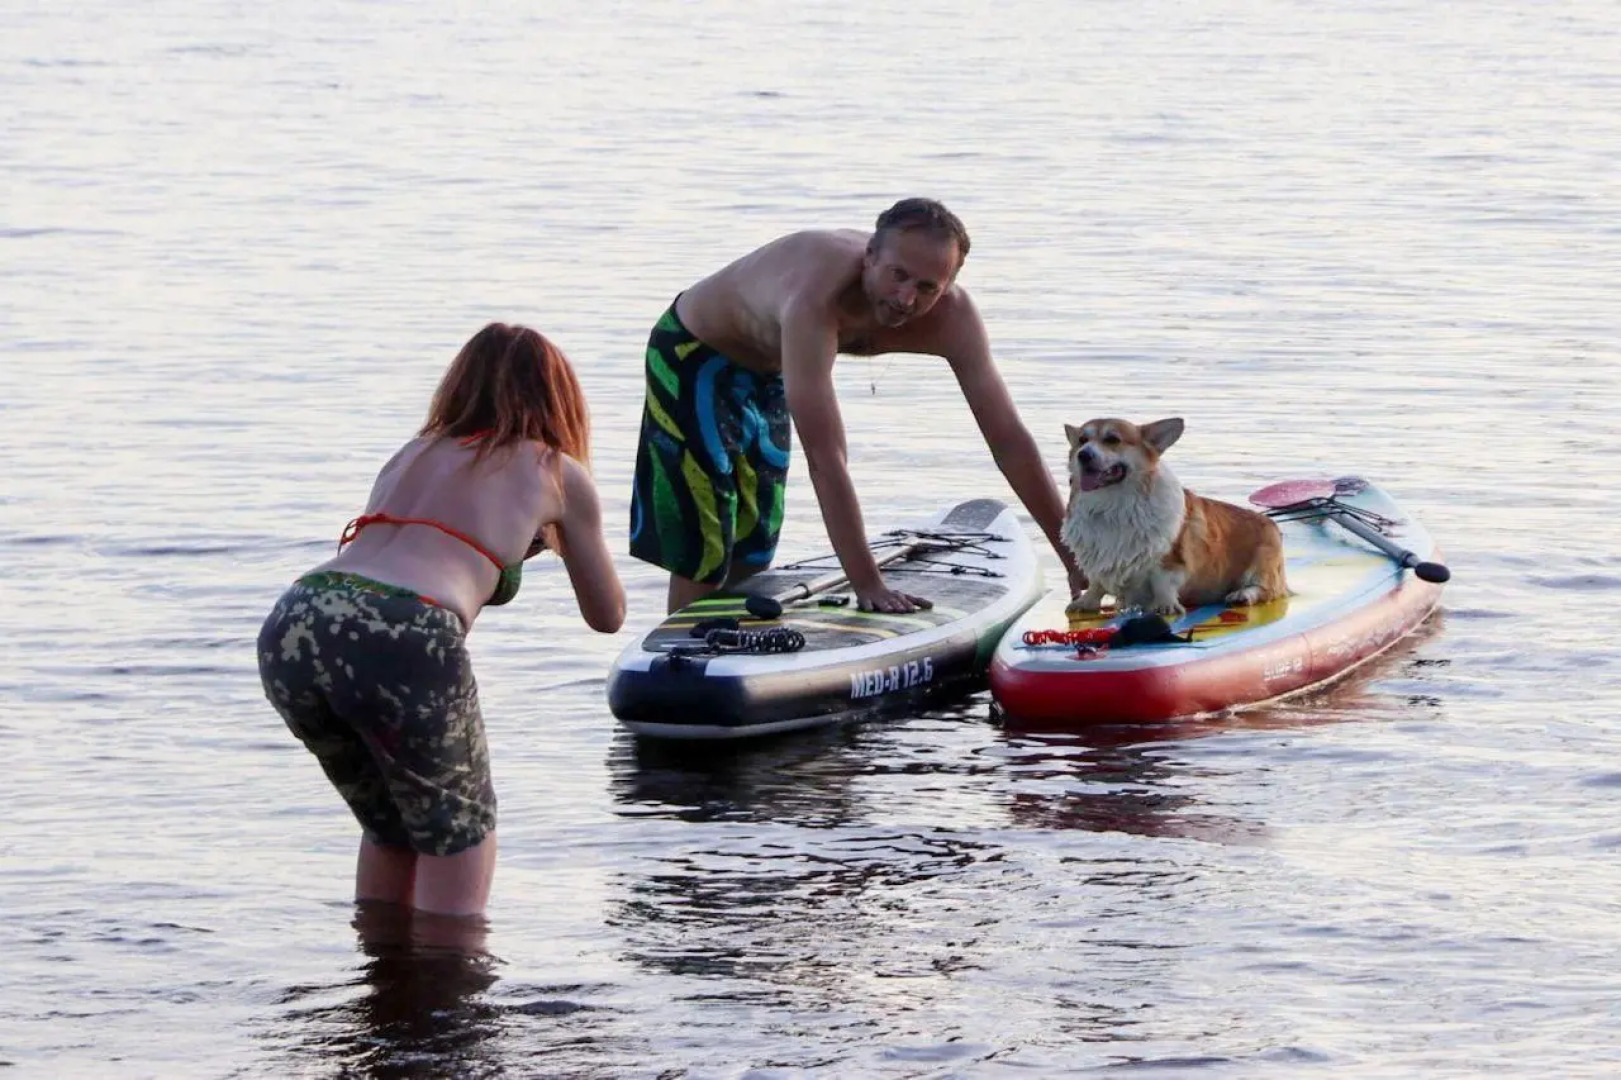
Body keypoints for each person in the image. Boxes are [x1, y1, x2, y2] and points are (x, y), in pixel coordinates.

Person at [257, 323, 624, 919]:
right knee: (461, 833)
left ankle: (383, 982)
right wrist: (556, 534)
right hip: (405, 628)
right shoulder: (556, 471)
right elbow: (607, 615)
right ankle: (451, 997)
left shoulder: (411, 454)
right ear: (560, 400)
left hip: (298, 616)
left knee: (391, 827)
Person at [629, 196, 1087, 615]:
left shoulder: (955, 319)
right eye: (898, 275)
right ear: (870, 257)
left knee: (754, 536)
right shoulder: (815, 299)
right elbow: (827, 459)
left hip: (769, 370)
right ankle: (678, 653)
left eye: (928, 288)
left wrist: (1076, 560)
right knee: (705, 536)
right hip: (694, 354)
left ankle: (728, 646)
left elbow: (1009, 440)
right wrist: (868, 583)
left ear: (948, 285)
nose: (906, 299)